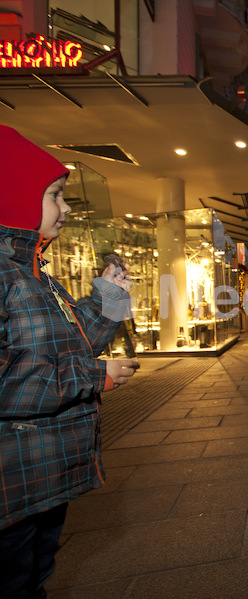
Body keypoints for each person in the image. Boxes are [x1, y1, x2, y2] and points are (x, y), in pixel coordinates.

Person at [0, 125, 139, 598]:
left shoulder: (33, 272)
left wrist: (111, 297)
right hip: (11, 484)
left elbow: (74, 340)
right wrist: (94, 376)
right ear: (13, 196)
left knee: (33, 579)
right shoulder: (10, 276)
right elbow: (8, 380)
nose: (65, 208)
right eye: (55, 195)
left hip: (37, 479)